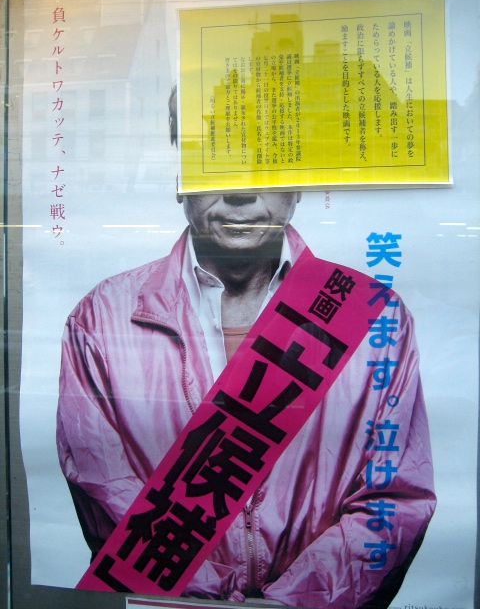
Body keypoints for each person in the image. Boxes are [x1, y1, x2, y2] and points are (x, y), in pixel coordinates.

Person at [57, 86, 435, 608]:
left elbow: (393, 500)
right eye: (216, 157)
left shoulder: (374, 317)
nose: (242, 192)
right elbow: (103, 491)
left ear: (301, 183)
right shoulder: (102, 320)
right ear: (180, 178)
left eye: (268, 158)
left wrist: (288, 605)